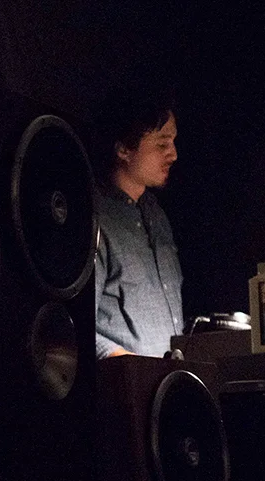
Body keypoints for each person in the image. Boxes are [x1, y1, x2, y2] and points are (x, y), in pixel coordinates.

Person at [91, 88, 183, 359]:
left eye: (174, 142)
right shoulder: (95, 218)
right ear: (123, 149)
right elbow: (75, 327)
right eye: (162, 144)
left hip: (170, 381)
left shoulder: (157, 215)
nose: (174, 154)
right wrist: (134, 368)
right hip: (124, 383)